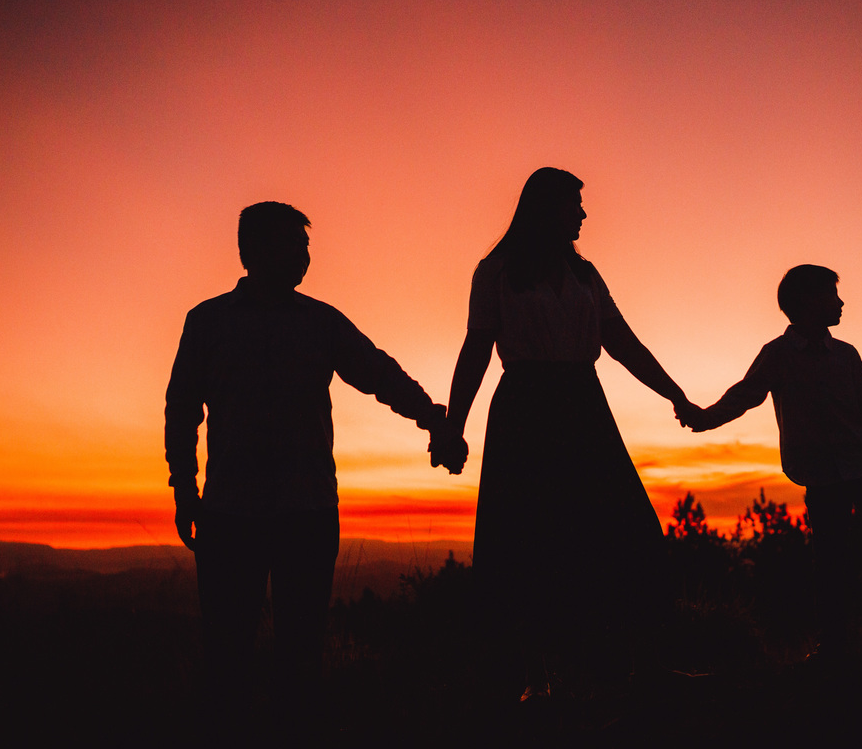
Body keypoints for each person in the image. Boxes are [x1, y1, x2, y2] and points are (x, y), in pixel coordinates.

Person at [165, 201, 465, 735]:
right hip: (233, 515)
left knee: (299, 660)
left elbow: (378, 373)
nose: (304, 257)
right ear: (253, 251)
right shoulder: (208, 322)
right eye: (293, 245)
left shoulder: (318, 322)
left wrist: (433, 419)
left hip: (305, 514)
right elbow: (182, 408)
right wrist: (185, 488)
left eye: (306, 247)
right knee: (228, 659)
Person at [441, 167, 695, 700]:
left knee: (624, 531)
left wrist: (675, 394)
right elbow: (476, 349)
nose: (582, 214)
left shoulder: (586, 275)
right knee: (529, 542)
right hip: (526, 410)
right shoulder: (496, 272)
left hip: (584, 405)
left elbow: (623, 341)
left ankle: (639, 666)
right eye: (574, 204)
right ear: (546, 208)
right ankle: (538, 678)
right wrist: (453, 428)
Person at [682, 264, 862, 658]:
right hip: (822, 477)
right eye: (832, 295)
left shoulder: (846, 355)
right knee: (831, 563)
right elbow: (747, 394)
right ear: (807, 302)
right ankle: (834, 645)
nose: (841, 302)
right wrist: (707, 417)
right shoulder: (778, 355)